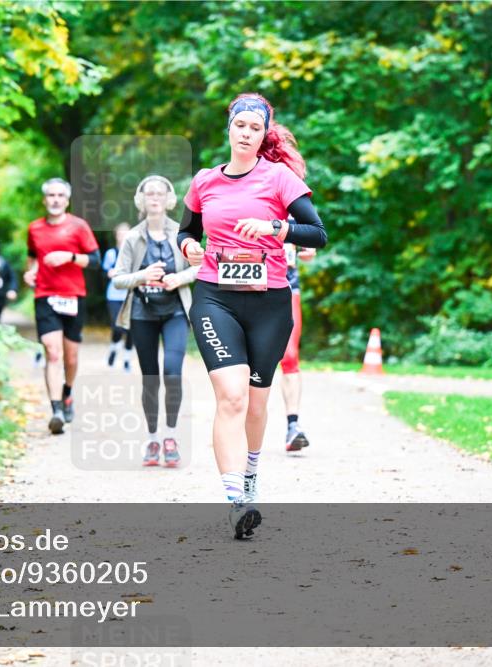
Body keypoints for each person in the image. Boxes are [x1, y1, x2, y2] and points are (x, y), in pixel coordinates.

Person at [177, 93, 327, 538]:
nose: (246, 133)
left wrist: (274, 228)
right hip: (215, 297)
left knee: (257, 404)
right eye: (240, 125)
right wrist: (188, 246)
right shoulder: (204, 181)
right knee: (232, 397)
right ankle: (235, 501)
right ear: (229, 128)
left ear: (264, 135)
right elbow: (186, 229)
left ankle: (250, 479)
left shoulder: (279, 178)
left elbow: (318, 233)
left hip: (269, 302)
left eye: (255, 128)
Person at [111, 176, 199, 468]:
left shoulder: (182, 234)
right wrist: (142, 276)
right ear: (142, 199)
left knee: (172, 373)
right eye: (149, 193)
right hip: (142, 314)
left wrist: (179, 278)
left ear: (169, 198)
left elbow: (201, 267)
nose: (155, 197)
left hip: (175, 311)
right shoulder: (133, 237)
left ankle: (170, 437)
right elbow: (118, 277)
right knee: (150, 378)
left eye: (160, 193)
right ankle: (152, 438)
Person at [24, 177, 100, 435]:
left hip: (73, 296)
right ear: (45, 200)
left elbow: (95, 260)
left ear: (67, 200)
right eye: (51, 195)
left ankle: (67, 392)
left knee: (70, 357)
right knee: (52, 352)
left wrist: (68, 256)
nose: (55, 200)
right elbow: (32, 257)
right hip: (44, 295)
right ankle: (56, 409)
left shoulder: (79, 227)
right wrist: (30, 273)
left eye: (60, 196)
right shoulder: (34, 228)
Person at [280, 241, 317, 451]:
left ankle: (293, 426)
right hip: (251, 290)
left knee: (290, 357)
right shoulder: (248, 208)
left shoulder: (297, 211)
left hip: (288, 290)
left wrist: (308, 250)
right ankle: (240, 425)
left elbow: (309, 250)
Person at [103, 223, 134, 372]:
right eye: (120, 233)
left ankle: (127, 359)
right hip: (114, 295)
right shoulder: (111, 253)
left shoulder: (135, 253)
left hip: (131, 295)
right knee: (117, 327)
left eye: (126, 233)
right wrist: (110, 272)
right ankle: (114, 349)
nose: (123, 236)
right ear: (116, 235)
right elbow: (105, 272)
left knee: (130, 329)